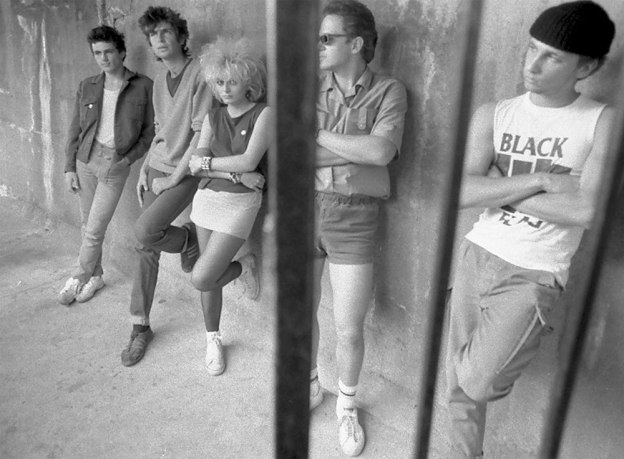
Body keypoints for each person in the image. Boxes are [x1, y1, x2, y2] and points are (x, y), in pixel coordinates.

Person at [446, 2, 616, 457]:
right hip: (477, 253)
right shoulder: (494, 113)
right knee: (456, 389)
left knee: (476, 380)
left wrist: (499, 186)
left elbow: (585, 209)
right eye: (531, 49)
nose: (532, 65)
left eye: (552, 56)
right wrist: (542, 180)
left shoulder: (602, 121)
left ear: (587, 67)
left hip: (534, 271)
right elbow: (460, 191)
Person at [311, 0, 407, 456]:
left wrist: (316, 135)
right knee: (302, 313)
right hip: (302, 208)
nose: (318, 45)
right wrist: (357, 147)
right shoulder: (310, 88)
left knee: (348, 326)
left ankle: (347, 407)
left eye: (327, 38)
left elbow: (382, 153)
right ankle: (311, 384)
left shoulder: (389, 90)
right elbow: (290, 151)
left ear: (356, 43)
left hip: (354, 215)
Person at [120, 6, 212, 367]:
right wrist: (144, 167)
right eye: (152, 35)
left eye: (165, 33)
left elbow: (201, 132)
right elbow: (160, 130)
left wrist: (175, 177)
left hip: (186, 170)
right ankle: (140, 326)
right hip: (157, 166)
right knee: (145, 245)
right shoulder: (159, 80)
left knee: (144, 231)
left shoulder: (200, 74)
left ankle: (188, 239)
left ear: (181, 37)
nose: (158, 40)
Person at [186, 37, 271, 376]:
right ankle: (213, 338)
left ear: (248, 80)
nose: (224, 89)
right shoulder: (213, 116)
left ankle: (243, 265)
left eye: (232, 82)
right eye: (219, 82)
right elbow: (195, 165)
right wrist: (236, 174)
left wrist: (213, 165)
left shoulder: (264, 114)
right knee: (207, 278)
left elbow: (249, 160)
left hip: (240, 203)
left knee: (202, 276)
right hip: (208, 198)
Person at [59, 25, 154, 306]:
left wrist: (127, 160)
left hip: (115, 163)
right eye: (97, 53)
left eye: (109, 51)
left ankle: (78, 276)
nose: (103, 58)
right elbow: (74, 129)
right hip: (86, 159)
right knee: (88, 224)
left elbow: (149, 132)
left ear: (122, 52)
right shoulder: (87, 85)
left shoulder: (143, 86)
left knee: (95, 228)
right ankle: (96, 276)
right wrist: (69, 167)